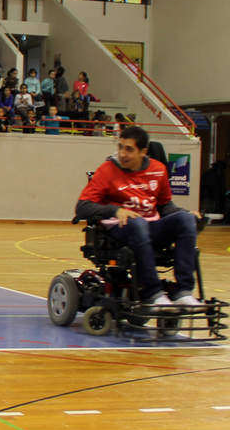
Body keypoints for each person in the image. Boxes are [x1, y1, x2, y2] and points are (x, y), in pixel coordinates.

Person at [76, 125, 202, 307]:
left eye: (129, 149)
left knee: (185, 220)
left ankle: (183, 291)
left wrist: (184, 213)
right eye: (120, 147)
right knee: (138, 223)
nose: (122, 154)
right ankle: (153, 293)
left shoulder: (158, 169)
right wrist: (115, 210)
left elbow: (165, 205)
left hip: (151, 226)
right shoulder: (107, 170)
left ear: (143, 151)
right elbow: (82, 207)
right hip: (120, 228)